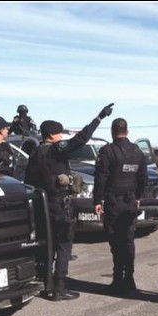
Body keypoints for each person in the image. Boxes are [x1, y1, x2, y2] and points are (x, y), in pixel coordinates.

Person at [25, 102, 114, 301]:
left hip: (42, 207)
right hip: (58, 205)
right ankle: (59, 287)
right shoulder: (55, 150)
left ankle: (46, 283)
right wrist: (99, 118)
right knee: (64, 244)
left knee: (47, 245)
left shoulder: (35, 154)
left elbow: (28, 182)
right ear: (52, 135)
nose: (60, 137)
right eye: (58, 134)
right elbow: (80, 139)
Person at [93, 118, 148, 295]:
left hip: (114, 203)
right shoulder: (137, 151)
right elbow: (143, 177)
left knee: (116, 241)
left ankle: (118, 280)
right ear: (127, 131)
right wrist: (138, 196)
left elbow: (101, 178)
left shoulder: (108, 151)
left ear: (112, 132)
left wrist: (97, 200)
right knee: (128, 240)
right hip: (130, 203)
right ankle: (129, 279)